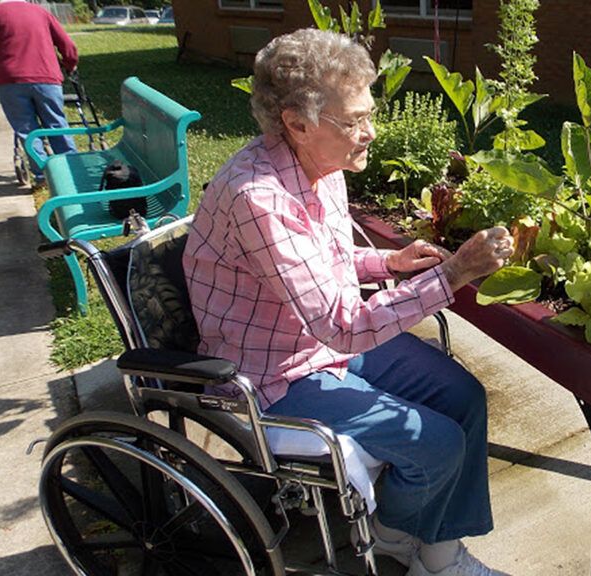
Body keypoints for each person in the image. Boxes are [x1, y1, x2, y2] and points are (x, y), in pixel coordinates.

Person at [183, 28, 513, 576]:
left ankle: (434, 553)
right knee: (436, 446)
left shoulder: (321, 165)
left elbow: (323, 266)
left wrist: (387, 263)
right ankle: (395, 532)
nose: (371, 131)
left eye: (369, 113)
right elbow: (340, 325)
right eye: (354, 121)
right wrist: (454, 273)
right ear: (296, 123)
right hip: (273, 372)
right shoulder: (259, 198)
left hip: (319, 343)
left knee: (464, 396)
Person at [0, 0, 79, 185]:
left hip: (10, 80)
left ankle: (43, 175)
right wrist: (70, 63)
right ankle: (70, 170)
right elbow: (67, 45)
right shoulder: (40, 12)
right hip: (46, 77)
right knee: (57, 124)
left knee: (26, 130)